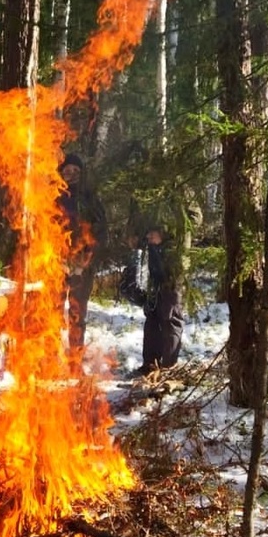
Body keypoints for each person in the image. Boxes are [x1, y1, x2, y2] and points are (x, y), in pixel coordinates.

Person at [120, 189, 201, 374]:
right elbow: (136, 217)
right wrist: (134, 235)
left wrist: (163, 233)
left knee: (170, 313)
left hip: (174, 259)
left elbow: (195, 218)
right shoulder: (146, 182)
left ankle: (167, 369)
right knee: (152, 312)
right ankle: (150, 366)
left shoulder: (180, 183)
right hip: (149, 258)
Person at [57, 153, 108, 354]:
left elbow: (100, 232)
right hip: (56, 263)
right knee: (51, 312)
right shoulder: (53, 197)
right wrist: (57, 259)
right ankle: (50, 359)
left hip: (82, 265)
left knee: (77, 314)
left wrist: (84, 261)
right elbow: (45, 230)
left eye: (76, 171)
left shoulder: (90, 200)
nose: (72, 175)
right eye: (67, 171)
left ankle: (75, 360)